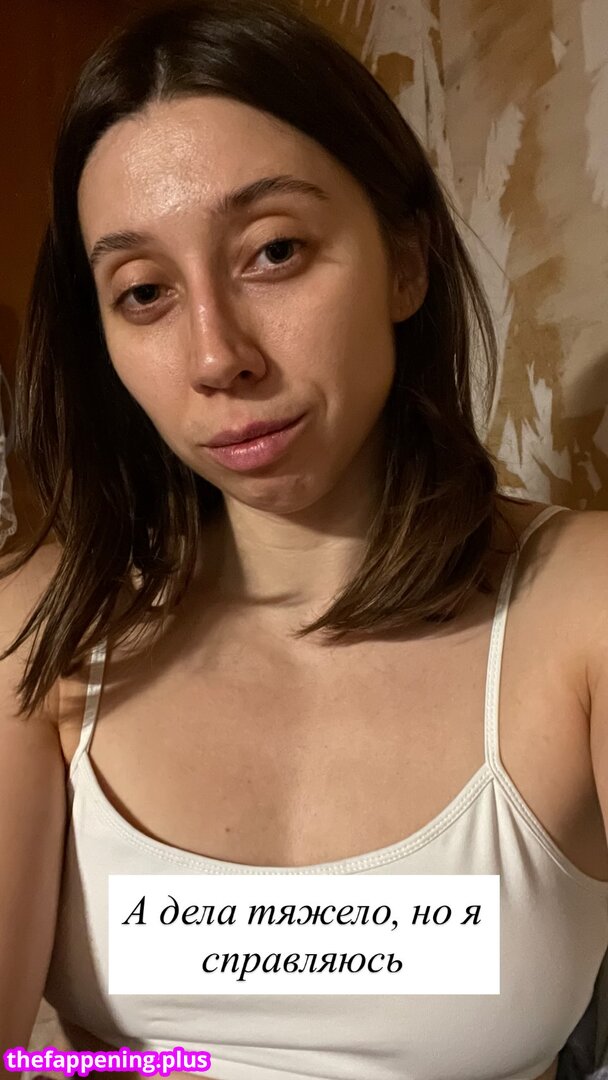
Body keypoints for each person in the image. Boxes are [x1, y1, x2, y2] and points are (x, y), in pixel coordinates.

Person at [1, 1, 607, 1078]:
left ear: (407, 258)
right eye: (144, 292)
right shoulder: (42, 630)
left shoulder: (577, 605)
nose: (216, 356)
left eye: (273, 251)